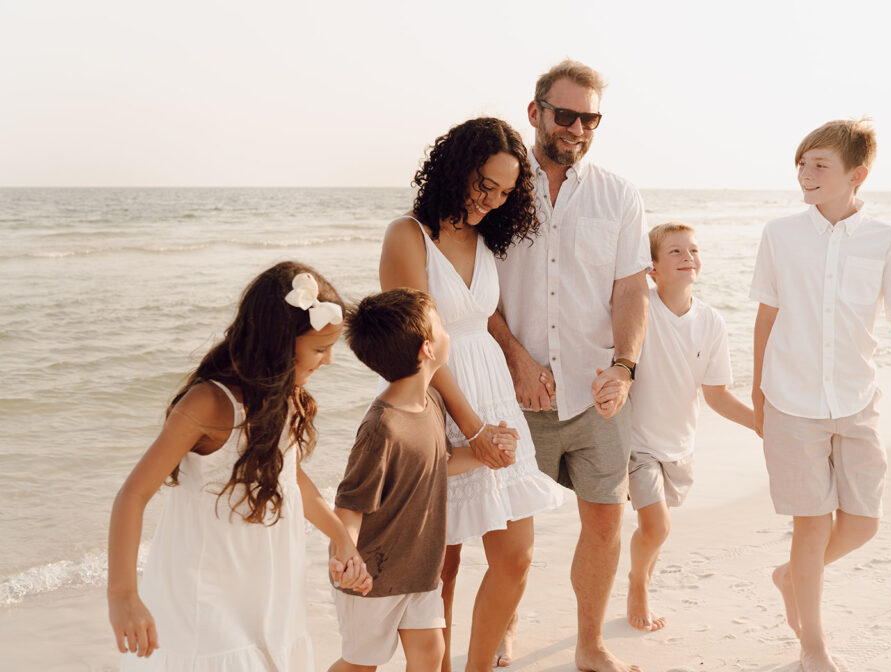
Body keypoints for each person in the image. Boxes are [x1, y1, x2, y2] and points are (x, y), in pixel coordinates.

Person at [107, 262, 371, 670]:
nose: (329, 361)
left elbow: (290, 477)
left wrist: (339, 536)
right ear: (279, 344)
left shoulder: (285, 398)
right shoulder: (208, 405)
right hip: (205, 594)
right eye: (320, 349)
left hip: (266, 592)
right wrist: (123, 594)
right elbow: (133, 495)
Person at [750, 119, 891, 672]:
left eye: (819, 165)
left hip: (858, 401)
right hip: (791, 402)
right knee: (809, 524)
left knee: (863, 522)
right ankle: (813, 644)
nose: (806, 174)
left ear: (856, 174)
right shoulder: (779, 234)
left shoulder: (886, 239)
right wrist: (760, 393)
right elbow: (767, 316)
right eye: (802, 163)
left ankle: (792, 575)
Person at [378, 116, 564, 672]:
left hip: (496, 401)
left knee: (516, 558)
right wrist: (473, 429)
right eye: (485, 185)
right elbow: (418, 348)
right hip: (437, 404)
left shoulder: (487, 237)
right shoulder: (408, 235)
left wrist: (496, 416)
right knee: (442, 567)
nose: (491, 200)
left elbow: (488, 324)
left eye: (505, 192)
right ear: (457, 168)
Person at [489, 59, 650, 672]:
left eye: (590, 118)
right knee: (511, 536)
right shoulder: (499, 189)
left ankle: (589, 644)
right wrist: (517, 358)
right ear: (536, 114)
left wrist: (625, 366)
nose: (577, 128)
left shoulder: (619, 195)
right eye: (565, 115)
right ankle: (504, 629)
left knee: (607, 523)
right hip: (514, 395)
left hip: (595, 395)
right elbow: (475, 289)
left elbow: (631, 289)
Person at [625, 222, 755, 632]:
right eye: (676, 252)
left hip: (680, 444)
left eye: (693, 251)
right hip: (636, 443)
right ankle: (637, 586)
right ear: (653, 269)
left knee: (658, 528)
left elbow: (715, 395)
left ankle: (642, 578)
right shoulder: (639, 307)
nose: (688, 258)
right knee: (656, 525)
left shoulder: (712, 322)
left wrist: (762, 424)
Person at [329, 288, 451, 672]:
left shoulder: (432, 402)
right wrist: (347, 558)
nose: (448, 332)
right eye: (441, 326)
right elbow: (349, 504)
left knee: (430, 653)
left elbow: (435, 464)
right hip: (373, 576)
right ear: (427, 349)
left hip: (419, 567)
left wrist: (486, 456)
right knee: (361, 665)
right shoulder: (382, 427)